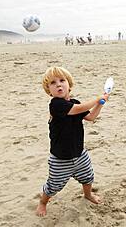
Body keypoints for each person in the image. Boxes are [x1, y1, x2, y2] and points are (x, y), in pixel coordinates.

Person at [36, 66, 109, 217]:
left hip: (79, 153)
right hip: (60, 158)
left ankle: (87, 195)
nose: (58, 84)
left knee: (88, 176)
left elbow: (90, 117)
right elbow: (79, 108)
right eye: (53, 83)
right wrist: (96, 98)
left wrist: (100, 104)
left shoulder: (74, 103)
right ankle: (43, 202)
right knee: (54, 185)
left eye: (62, 81)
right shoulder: (56, 105)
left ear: (69, 85)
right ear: (49, 90)